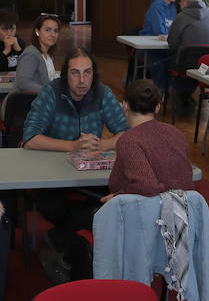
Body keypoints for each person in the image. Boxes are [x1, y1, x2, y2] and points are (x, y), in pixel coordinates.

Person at [22, 48, 130, 281]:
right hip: (52, 177)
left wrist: (103, 144)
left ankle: (65, 238)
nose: (82, 80)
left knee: (116, 199)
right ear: (65, 75)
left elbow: (127, 135)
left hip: (91, 175)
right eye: (75, 73)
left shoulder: (102, 93)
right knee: (56, 207)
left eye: (87, 73)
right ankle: (73, 237)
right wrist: (73, 146)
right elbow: (30, 139)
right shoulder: (51, 93)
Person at [104, 80, 193, 199]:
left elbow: (146, 186)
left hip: (151, 213)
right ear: (157, 108)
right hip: (183, 210)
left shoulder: (129, 141)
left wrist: (116, 196)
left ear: (125, 105)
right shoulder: (176, 133)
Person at [166, 0, 209, 115]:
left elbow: (172, 44)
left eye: (180, 1)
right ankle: (186, 100)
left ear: (185, 1)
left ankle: (181, 100)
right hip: (207, 68)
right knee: (194, 67)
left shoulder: (181, 18)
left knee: (171, 62)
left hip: (185, 67)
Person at [141, 0, 179, 91]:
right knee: (161, 63)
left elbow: (174, 28)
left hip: (165, 44)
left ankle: (171, 91)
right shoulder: (157, 5)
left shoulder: (173, 7)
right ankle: (161, 91)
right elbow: (159, 29)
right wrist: (169, 34)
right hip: (150, 45)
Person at [14, 13, 61, 95]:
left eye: (55, 31)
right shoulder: (31, 54)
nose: (52, 34)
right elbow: (23, 83)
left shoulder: (49, 55)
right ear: (37, 32)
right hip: (25, 104)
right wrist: (49, 91)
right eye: (47, 30)